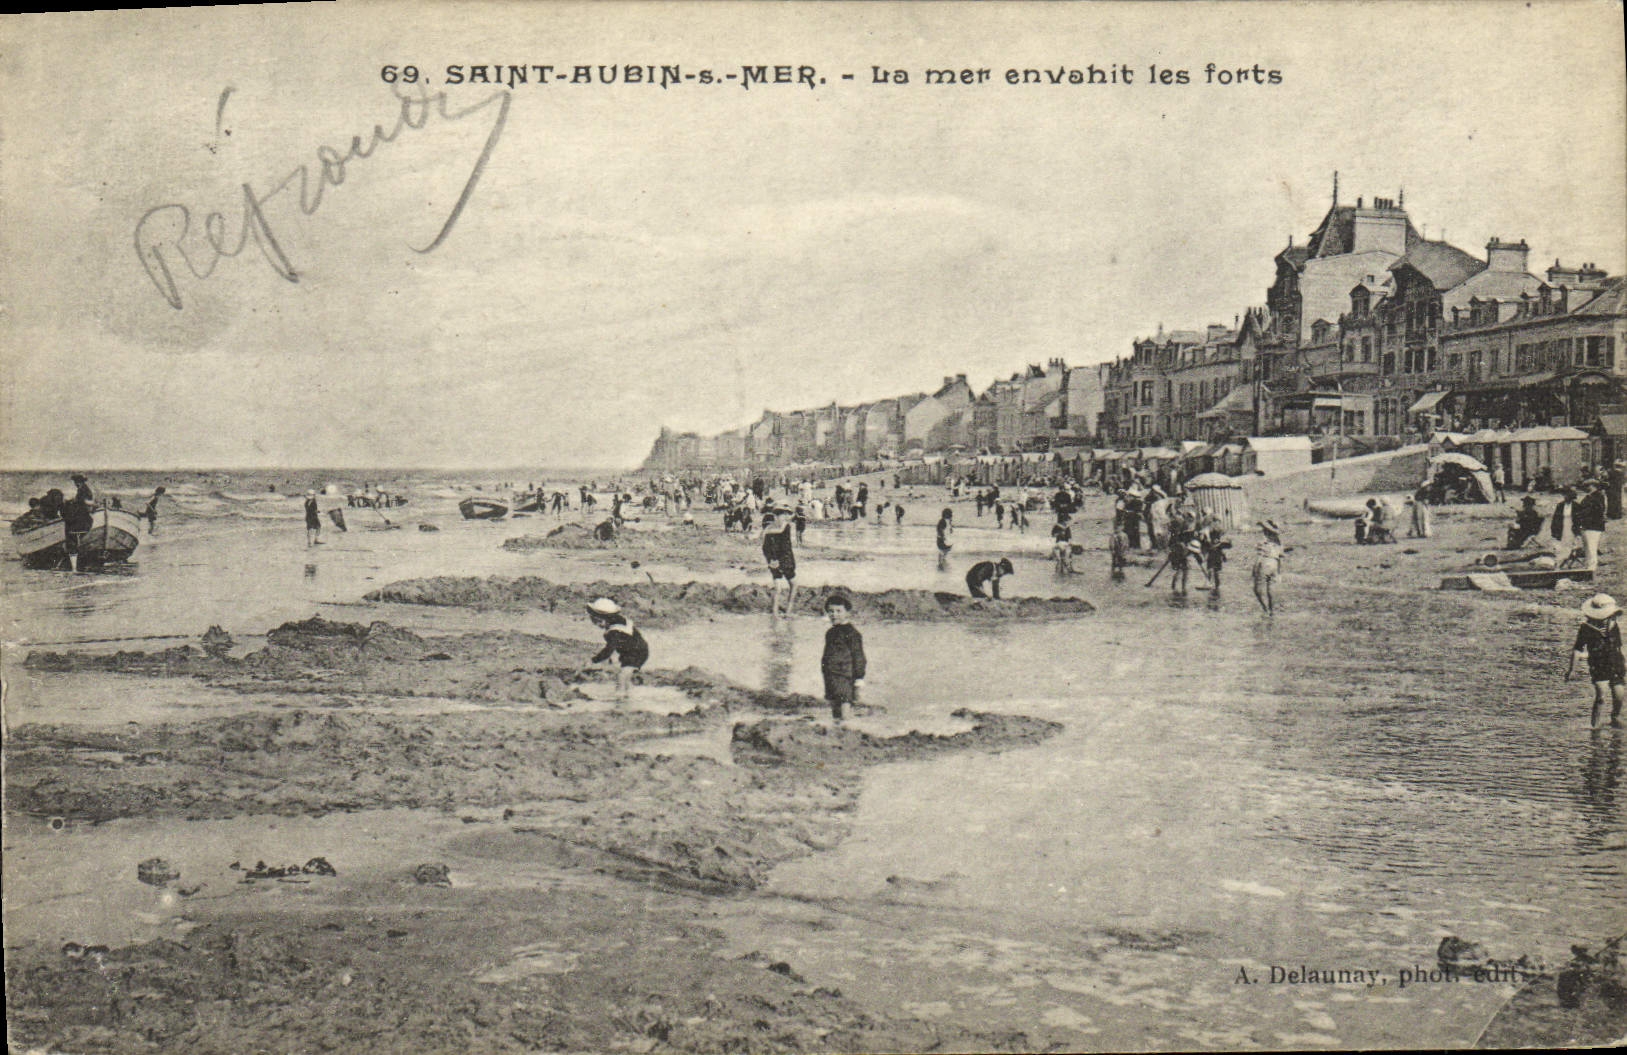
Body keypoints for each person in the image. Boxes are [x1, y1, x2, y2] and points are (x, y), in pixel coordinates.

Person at [1567, 594, 1625, 729]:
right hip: (1598, 664)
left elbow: (1618, 646)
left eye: (1610, 616)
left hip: (1616, 662)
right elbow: (1577, 649)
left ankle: (1615, 716)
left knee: (1619, 693)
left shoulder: (1614, 625)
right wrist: (1572, 670)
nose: (1607, 619)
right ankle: (1595, 726)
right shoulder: (1586, 628)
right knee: (1601, 695)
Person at [585, 597, 648, 699]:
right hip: (636, 650)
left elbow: (609, 650)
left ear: (603, 619)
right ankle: (628, 694)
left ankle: (619, 698)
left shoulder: (614, 632)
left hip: (635, 653)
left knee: (622, 676)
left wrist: (594, 661)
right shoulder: (620, 621)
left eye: (597, 622)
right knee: (625, 676)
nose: (597, 625)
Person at [821, 593, 866, 721]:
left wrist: (859, 679)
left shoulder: (852, 633)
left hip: (845, 676)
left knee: (844, 705)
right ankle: (837, 729)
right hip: (831, 675)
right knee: (835, 707)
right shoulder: (830, 632)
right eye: (830, 611)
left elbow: (859, 656)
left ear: (847, 612)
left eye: (838, 611)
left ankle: (844, 729)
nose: (834, 614)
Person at [761, 511, 798, 617]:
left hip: (773, 561)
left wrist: (771, 560)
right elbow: (786, 547)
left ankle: (775, 613)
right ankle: (788, 611)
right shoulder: (785, 527)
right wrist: (780, 561)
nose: (785, 517)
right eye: (783, 515)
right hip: (785, 561)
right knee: (793, 584)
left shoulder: (768, 530)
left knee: (777, 587)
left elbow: (765, 548)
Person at [1252, 520, 1284, 616]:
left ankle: (1265, 610)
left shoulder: (1264, 539)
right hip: (1275, 563)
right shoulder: (1278, 541)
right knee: (1271, 589)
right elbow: (1281, 555)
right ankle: (1272, 611)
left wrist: (1254, 569)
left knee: (1257, 589)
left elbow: (1260, 555)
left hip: (1265, 562)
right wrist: (1279, 572)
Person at [1576, 478, 1607, 571]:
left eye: (1587, 486)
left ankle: (1592, 568)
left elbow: (1594, 510)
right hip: (1588, 525)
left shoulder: (1597, 497)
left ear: (1593, 486)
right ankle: (1588, 566)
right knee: (1588, 547)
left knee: (1591, 547)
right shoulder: (1591, 496)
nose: (1586, 488)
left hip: (1593, 525)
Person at [1551, 487, 1578, 564]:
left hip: (1571, 525)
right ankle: (1560, 560)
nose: (1565, 497)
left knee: (1570, 542)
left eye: (1567, 495)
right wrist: (1554, 530)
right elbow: (1555, 518)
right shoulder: (1560, 505)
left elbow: (1579, 519)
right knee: (1561, 543)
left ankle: (1567, 558)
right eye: (1564, 495)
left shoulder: (1576, 506)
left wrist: (1577, 530)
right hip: (1562, 525)